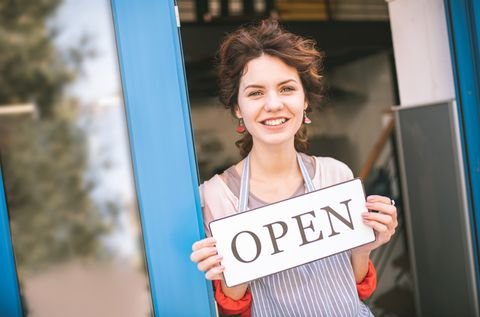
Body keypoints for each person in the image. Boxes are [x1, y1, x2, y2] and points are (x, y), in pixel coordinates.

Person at [190, 19, 398, 317]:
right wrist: (223, 272)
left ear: (305, 101)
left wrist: (366, 246)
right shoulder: (216, 196)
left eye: (287, 88)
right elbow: (234, 308)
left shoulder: (335, 174)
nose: (273, 104)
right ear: (237, 107)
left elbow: (354, 288)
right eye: (255, 93)